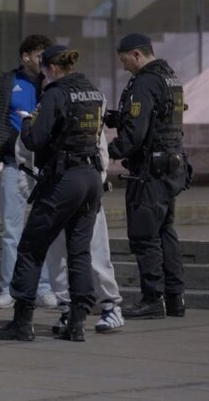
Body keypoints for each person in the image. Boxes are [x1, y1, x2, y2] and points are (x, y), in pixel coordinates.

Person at [0, 45, 104, 342]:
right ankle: (77, 322)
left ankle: (22, 321)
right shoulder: (91, 91)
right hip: (91, 176)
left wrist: (28, 121)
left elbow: (34, 140)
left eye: (44, 71)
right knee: (79, 251)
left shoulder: (56, 94)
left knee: (30, 247)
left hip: (65, 178)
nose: (43, 76)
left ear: (52, 69)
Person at [106, 33, 191, 319]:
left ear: (137, 55)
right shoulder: (170, 78)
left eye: (125, 60)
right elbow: (158, 117)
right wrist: (115, 117)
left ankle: (152, 299)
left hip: (150, 173)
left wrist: (108, 152)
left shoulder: (144, 82)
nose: (124, 67)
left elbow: (136, 133)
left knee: (144, 236)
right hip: (172, 168)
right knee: (165, 232)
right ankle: (175, 298)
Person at [0, 34, 54, 309]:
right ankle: (9, 289)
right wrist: (4, 137)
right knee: (12, 231)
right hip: (14, 164)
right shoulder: (8, 82)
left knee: (44, 229)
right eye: (39, 54)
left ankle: (44, 288)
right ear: (25, 56)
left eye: (46, 54)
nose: (43, 60)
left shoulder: (52, 83)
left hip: (45, 165)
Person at [44, 132, 125, 334]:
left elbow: (100, 150)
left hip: (82, 188)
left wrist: (97, 181)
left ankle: (110, 305)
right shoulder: (50, 104)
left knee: (94, 252)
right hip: (60, 189)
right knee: (58, 254)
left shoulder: (83, 103)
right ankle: (67, 308)